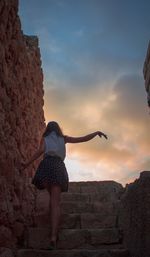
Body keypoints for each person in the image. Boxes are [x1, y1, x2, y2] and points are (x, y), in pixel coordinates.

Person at [20, 121, 108, 250]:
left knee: (51, 198)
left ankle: (49, 224)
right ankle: (53, 237)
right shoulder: (63, 138)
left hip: (46, 166)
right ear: (58, 129)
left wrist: (26, 164)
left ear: (48, 130)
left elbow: (39, 152)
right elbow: (81, 139)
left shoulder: (45, 138)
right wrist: (95, 133)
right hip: (58, 167)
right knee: (56, 203)